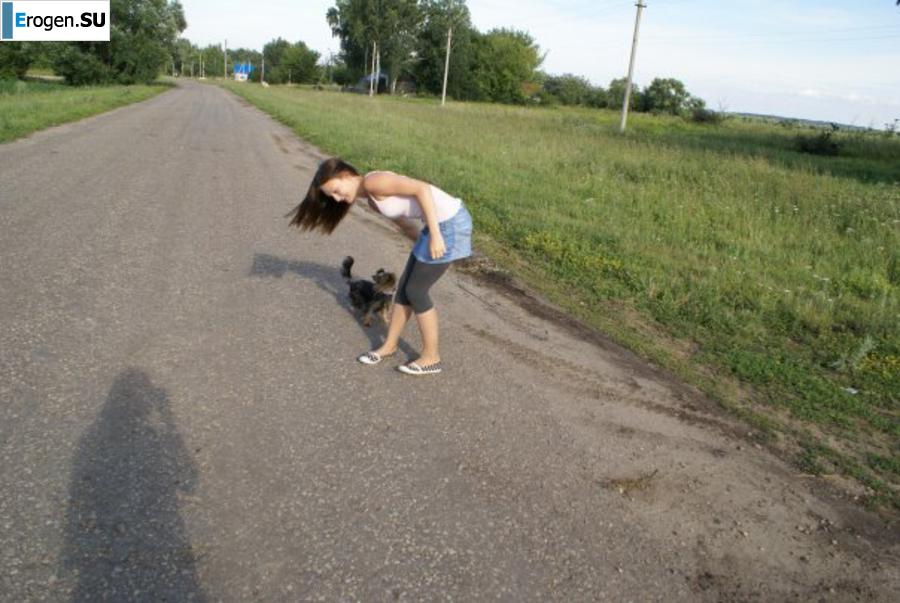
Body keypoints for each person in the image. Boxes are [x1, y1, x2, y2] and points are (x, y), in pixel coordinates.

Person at [287, 158, 473, 375]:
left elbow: (422, 189)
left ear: (346, 175)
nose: (338, 199)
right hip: (434, 227)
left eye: (337, 190)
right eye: (333, 197)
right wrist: (420, 242)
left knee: (416, 291)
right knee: (404, 289)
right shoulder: (372, 200)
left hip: (448, 224)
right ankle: (389, 346)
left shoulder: (375, 182)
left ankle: (432, 357)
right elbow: (403, 222)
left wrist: (436, 236)